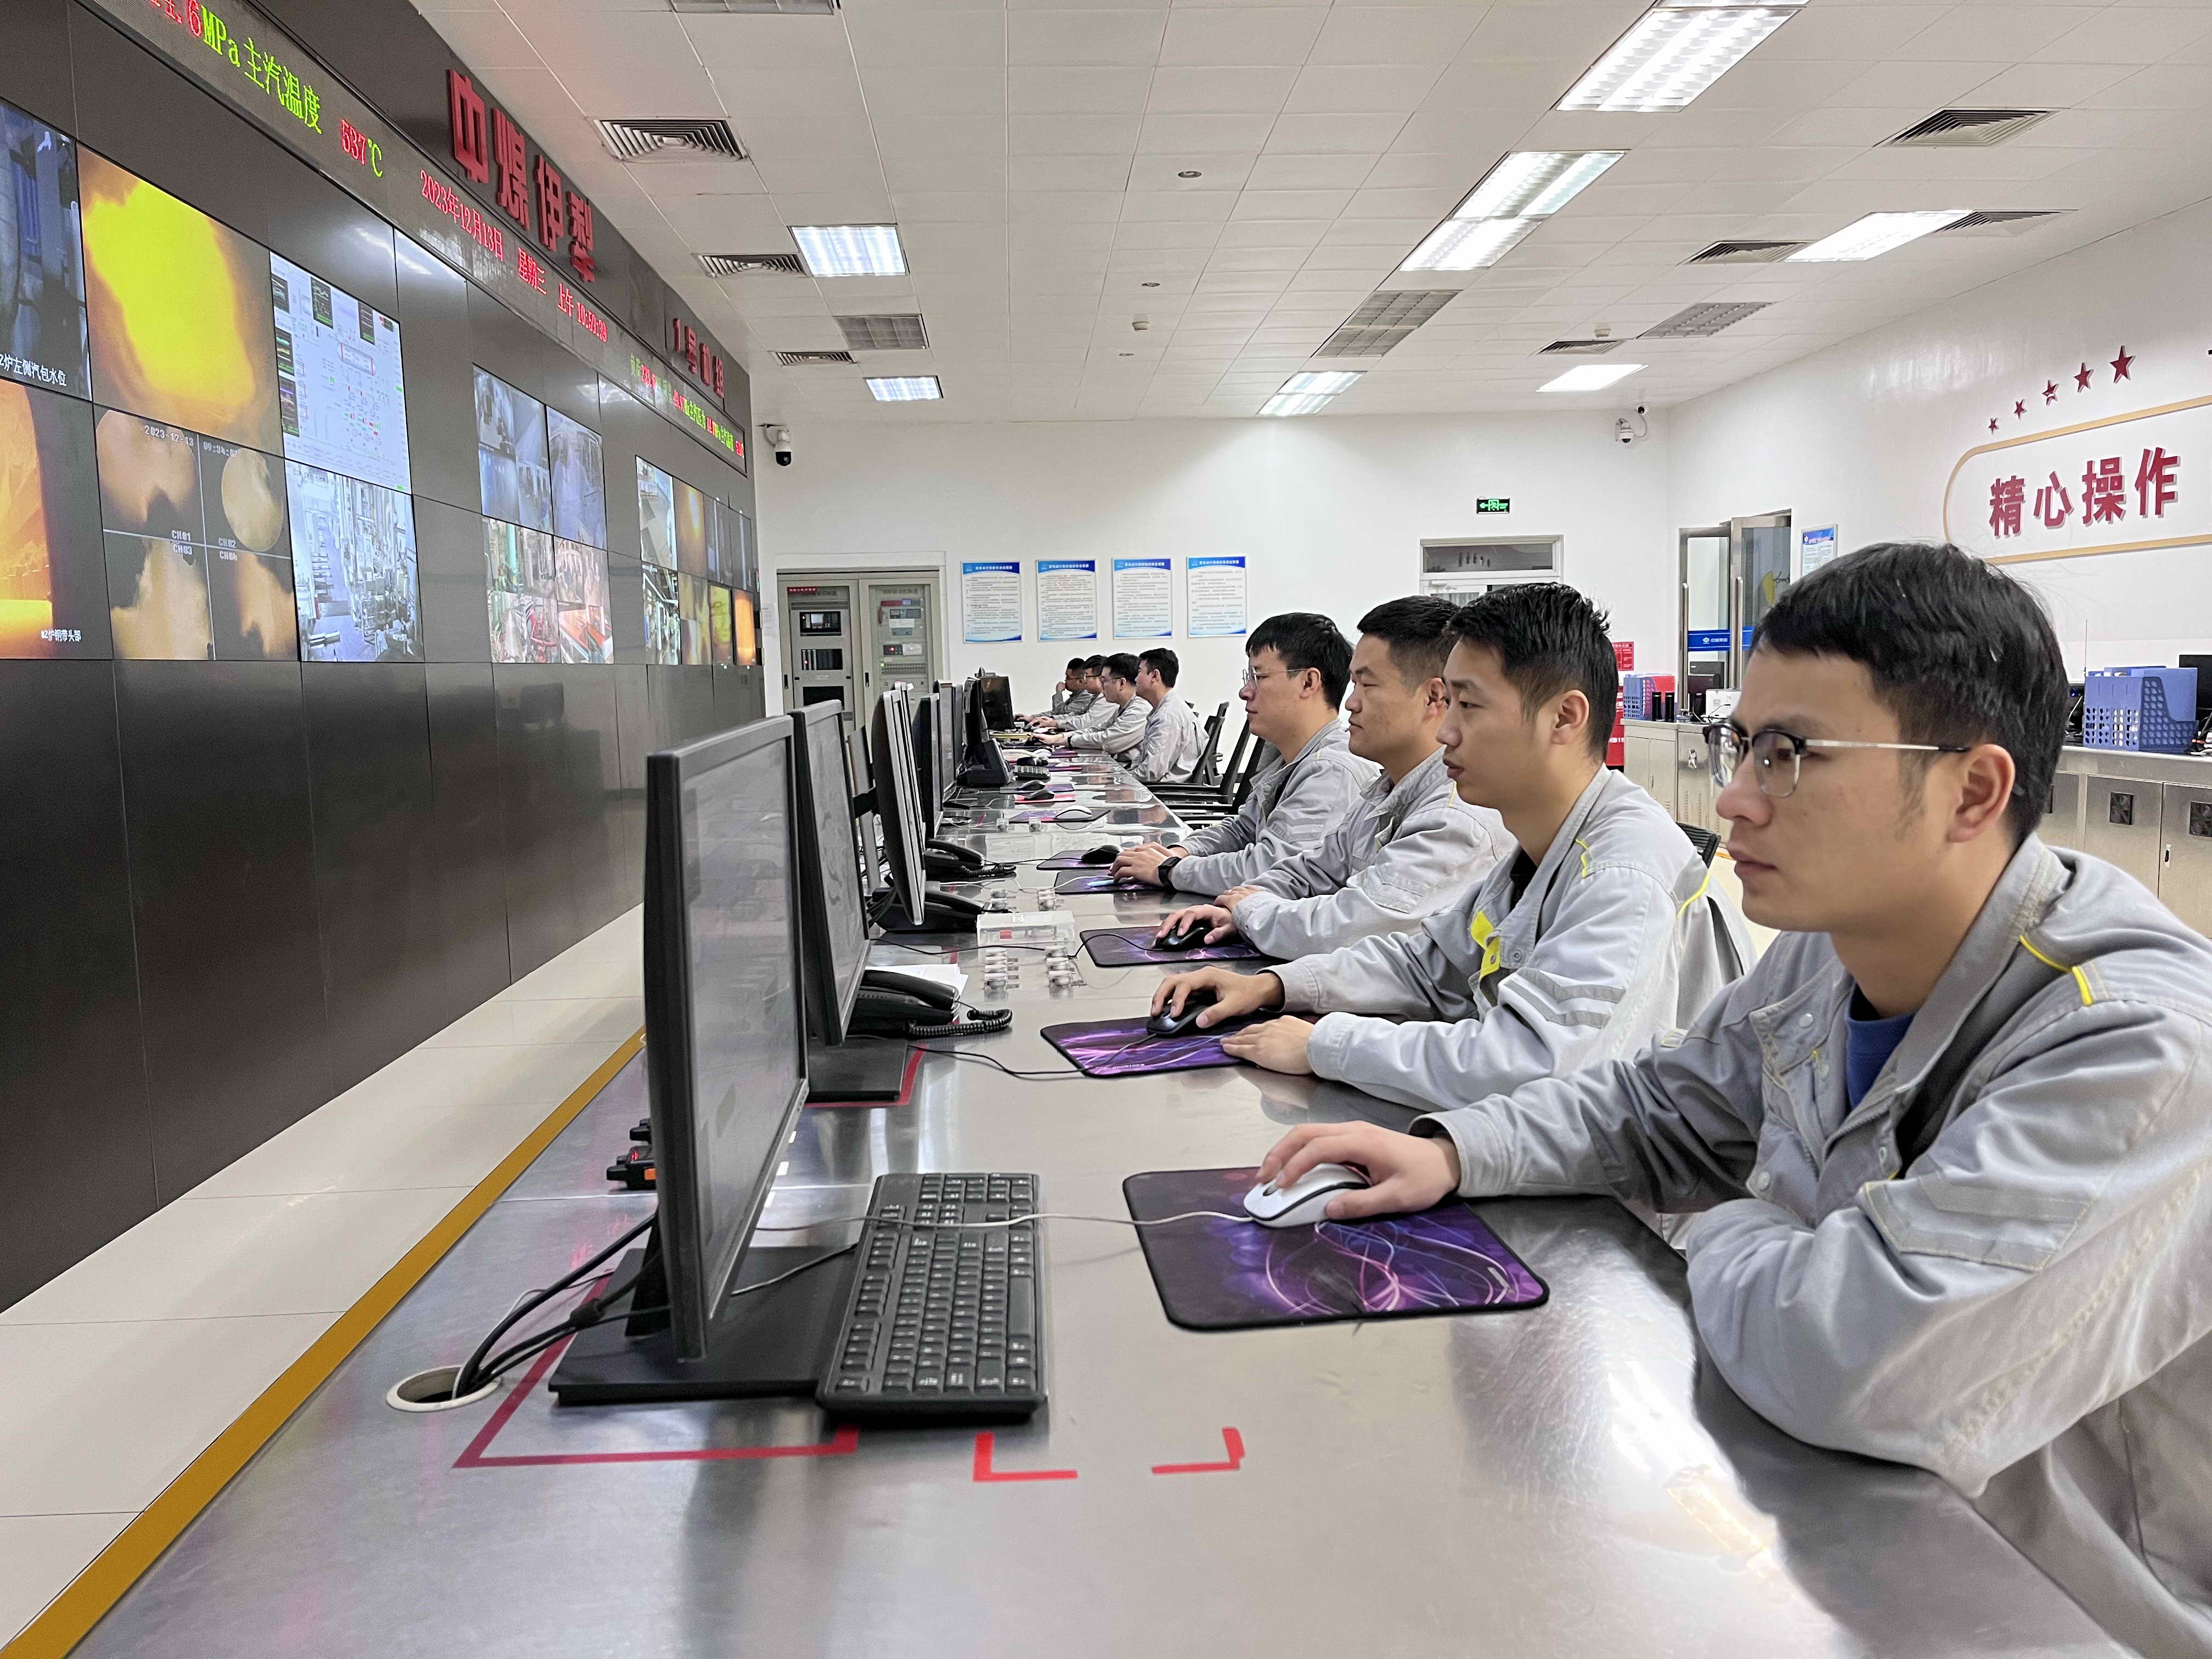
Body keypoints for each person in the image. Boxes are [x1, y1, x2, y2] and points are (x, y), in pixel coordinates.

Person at [1256, 543, 2212, 1658]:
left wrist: (1725, 1222)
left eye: (1791, 755)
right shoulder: (1832, 948)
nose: (1734, 798)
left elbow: (1856, 1361)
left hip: (2061, 1609)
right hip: (1856, 1546)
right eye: (1742, 744)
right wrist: (1457, 1150)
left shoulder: (2136, 1044)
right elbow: (1657, 1106)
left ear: (1973, 790)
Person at [1154, 582, 1747, 1108]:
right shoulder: (1542, 845)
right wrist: (1276, 986)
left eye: (1468, 706)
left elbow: (1532, 1063)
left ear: (1564, 718)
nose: (1445, 730)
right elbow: (1428, 963)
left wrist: (1326, 1044)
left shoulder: (1622, 870)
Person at [1150, 596, 1511, 957]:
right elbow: (1315, 869)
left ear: (1433, 697)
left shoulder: (1454, 815)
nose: (1350, 703)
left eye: (1367, 685)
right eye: (1354, 685)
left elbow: (1356, 924)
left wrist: (1240, 905)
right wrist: (1242, 904)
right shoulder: (1386, 789)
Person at [1114, 613, 1375, 893]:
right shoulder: (1291, 760)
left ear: (1308, 683)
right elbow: (1242, 830)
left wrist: (1169, 870)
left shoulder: (1332, 770)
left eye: (1259, 677)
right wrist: (1180, 851)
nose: (1245, 692)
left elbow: (1273, 869)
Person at [1125, 647, 1202, 785]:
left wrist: (1120, 781)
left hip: (1163, 793)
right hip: (1155, 788)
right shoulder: (1166, 708)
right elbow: (1144, 760)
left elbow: (1150, 773)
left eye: (1139, 672)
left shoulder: (1168, 716)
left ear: (1155, 676)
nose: (1135, 679)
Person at [1061, 653, 1147, 759]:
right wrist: (1062, 737)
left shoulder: (1140, 709)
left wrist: (1069, 740)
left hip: (1130, 768)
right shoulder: (1124, 707)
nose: (1102, 686)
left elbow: (1108, 741)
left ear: (1122, 684)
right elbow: (1100, 729)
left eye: (1104, 681)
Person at [1029, 657, 1106, 731]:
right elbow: (1077, 715)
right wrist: (1050, 720)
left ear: (1100, 679)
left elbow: (1082, 722)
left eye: (1087, 677)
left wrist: (1059, 693)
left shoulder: (1091, 697)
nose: (1084, 681)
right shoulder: (1093, 697)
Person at [1041, 657, 1092, 721]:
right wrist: (1033, 717)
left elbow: (1060, 712)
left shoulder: (1086, 696)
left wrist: (1059, 693)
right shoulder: (1077, 695)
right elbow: (1054, 713)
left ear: (1080, 681)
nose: (1065, 680)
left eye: (1068, 677)